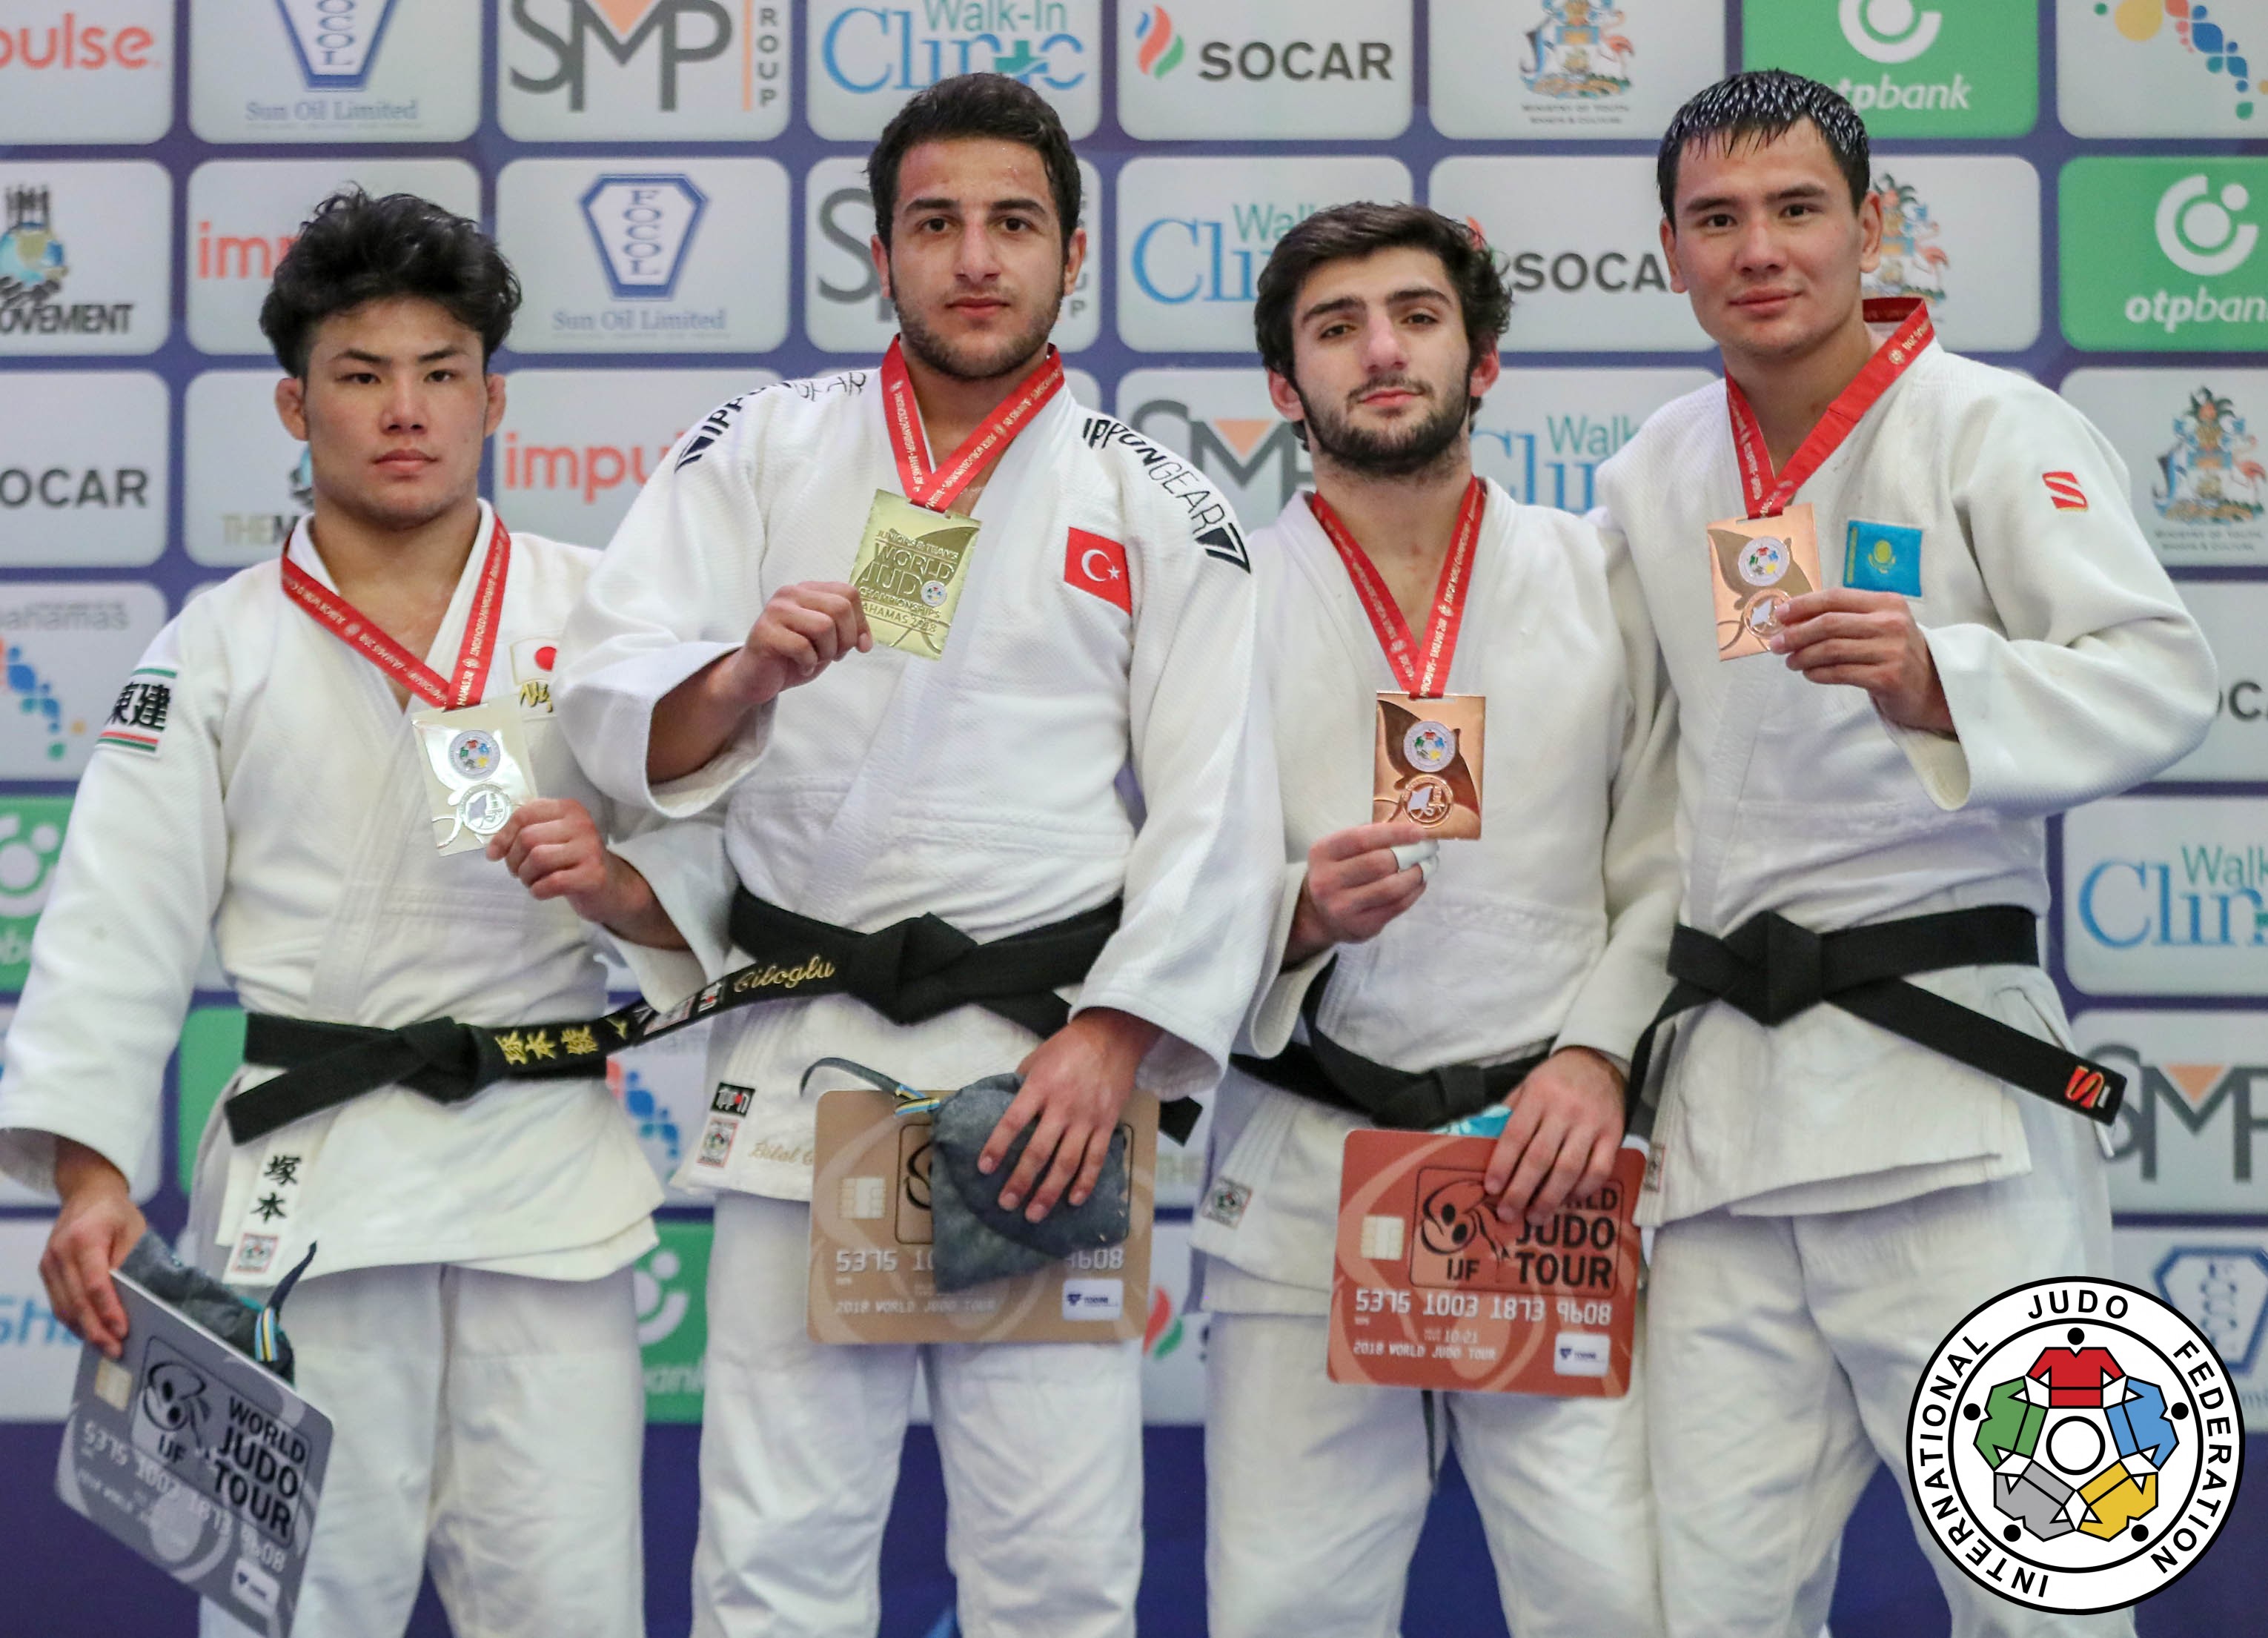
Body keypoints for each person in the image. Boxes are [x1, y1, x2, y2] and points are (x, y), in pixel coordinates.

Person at [554, 73, 1279, 1638]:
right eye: (936, 224)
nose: (975, 258)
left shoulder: (1154, 497)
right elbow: (611, 690)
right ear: (879, 252)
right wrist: (738, 677)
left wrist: (1114, 1039)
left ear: (1072, 254)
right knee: (773, 1558)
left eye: (1014, 224)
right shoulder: (759, 446)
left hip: (1047, 1089)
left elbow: (1223, 805)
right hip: (806, 1065)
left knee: (1058, 1567)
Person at [0, 190, 686, 1638]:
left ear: (494, 397)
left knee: (572, 1604)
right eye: (362, 374)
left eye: (442, 372)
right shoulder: (215, 646)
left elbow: (721, 884)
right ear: (294, 402)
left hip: (545, 1183)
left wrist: (621, 884)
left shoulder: (602, 618)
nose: (405, 411)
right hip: (315, 1183)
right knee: (296, 1609)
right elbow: (114, 922)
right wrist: (91, 1179)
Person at [1597, 70, 2217, 1637]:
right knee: (1712, 1606)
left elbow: (2161, 676)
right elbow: (1630, 772)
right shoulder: (1653, 468)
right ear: (1669, 252)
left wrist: (1947, 674)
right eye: (1716, 219)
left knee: (2045, 1591)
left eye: (1798, 209)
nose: (1759, 249)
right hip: (1726, 1122)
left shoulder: (1993, 425)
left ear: (1871, 225)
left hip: (1949, 1099)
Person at [1195, 201, 1675, 1638]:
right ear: (1285, 386)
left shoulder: (1601, 577)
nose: (1382, 350)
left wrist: (1597, 1054)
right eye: (1336, 327)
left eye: (1417, 316)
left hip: (1551, 1161)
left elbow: (1673, 854)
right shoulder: (1212, 598)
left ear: (1485, 359)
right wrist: (1288, 915)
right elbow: (1145, 880)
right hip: (1306, 1149)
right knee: (1285, 1607)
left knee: (1613, 1598)